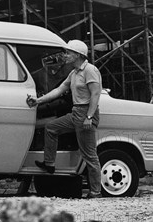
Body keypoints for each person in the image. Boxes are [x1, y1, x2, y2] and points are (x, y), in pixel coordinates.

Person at [26, 39, 103, 198]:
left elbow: (95, 94)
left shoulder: (90, 70)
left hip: (85, 113)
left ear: (78, 55)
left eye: (69, 53)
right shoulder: (74, 73)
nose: (66, 55)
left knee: (89, 155)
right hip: (76, 112)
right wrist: (38, 101)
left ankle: (96, 192)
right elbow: (60, 89)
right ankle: (50, 164)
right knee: (51, 128)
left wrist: (89, 116)